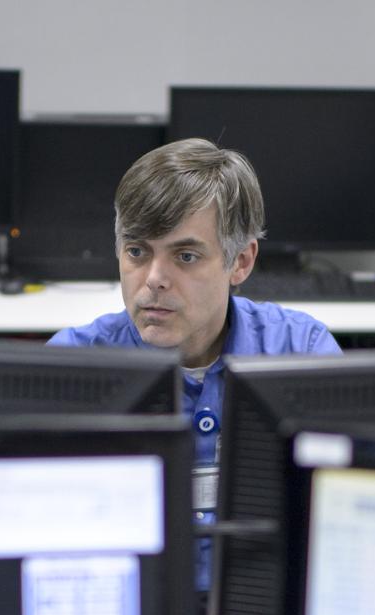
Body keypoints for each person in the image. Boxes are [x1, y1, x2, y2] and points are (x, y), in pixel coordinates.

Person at [47, 137, 343, 589]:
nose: (155, 280)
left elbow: (341, 520)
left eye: (185, 256)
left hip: (262, 612)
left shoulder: (299, 352)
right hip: (135, 612)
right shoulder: (75, 366)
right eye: (137, 252)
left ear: (240, 261)